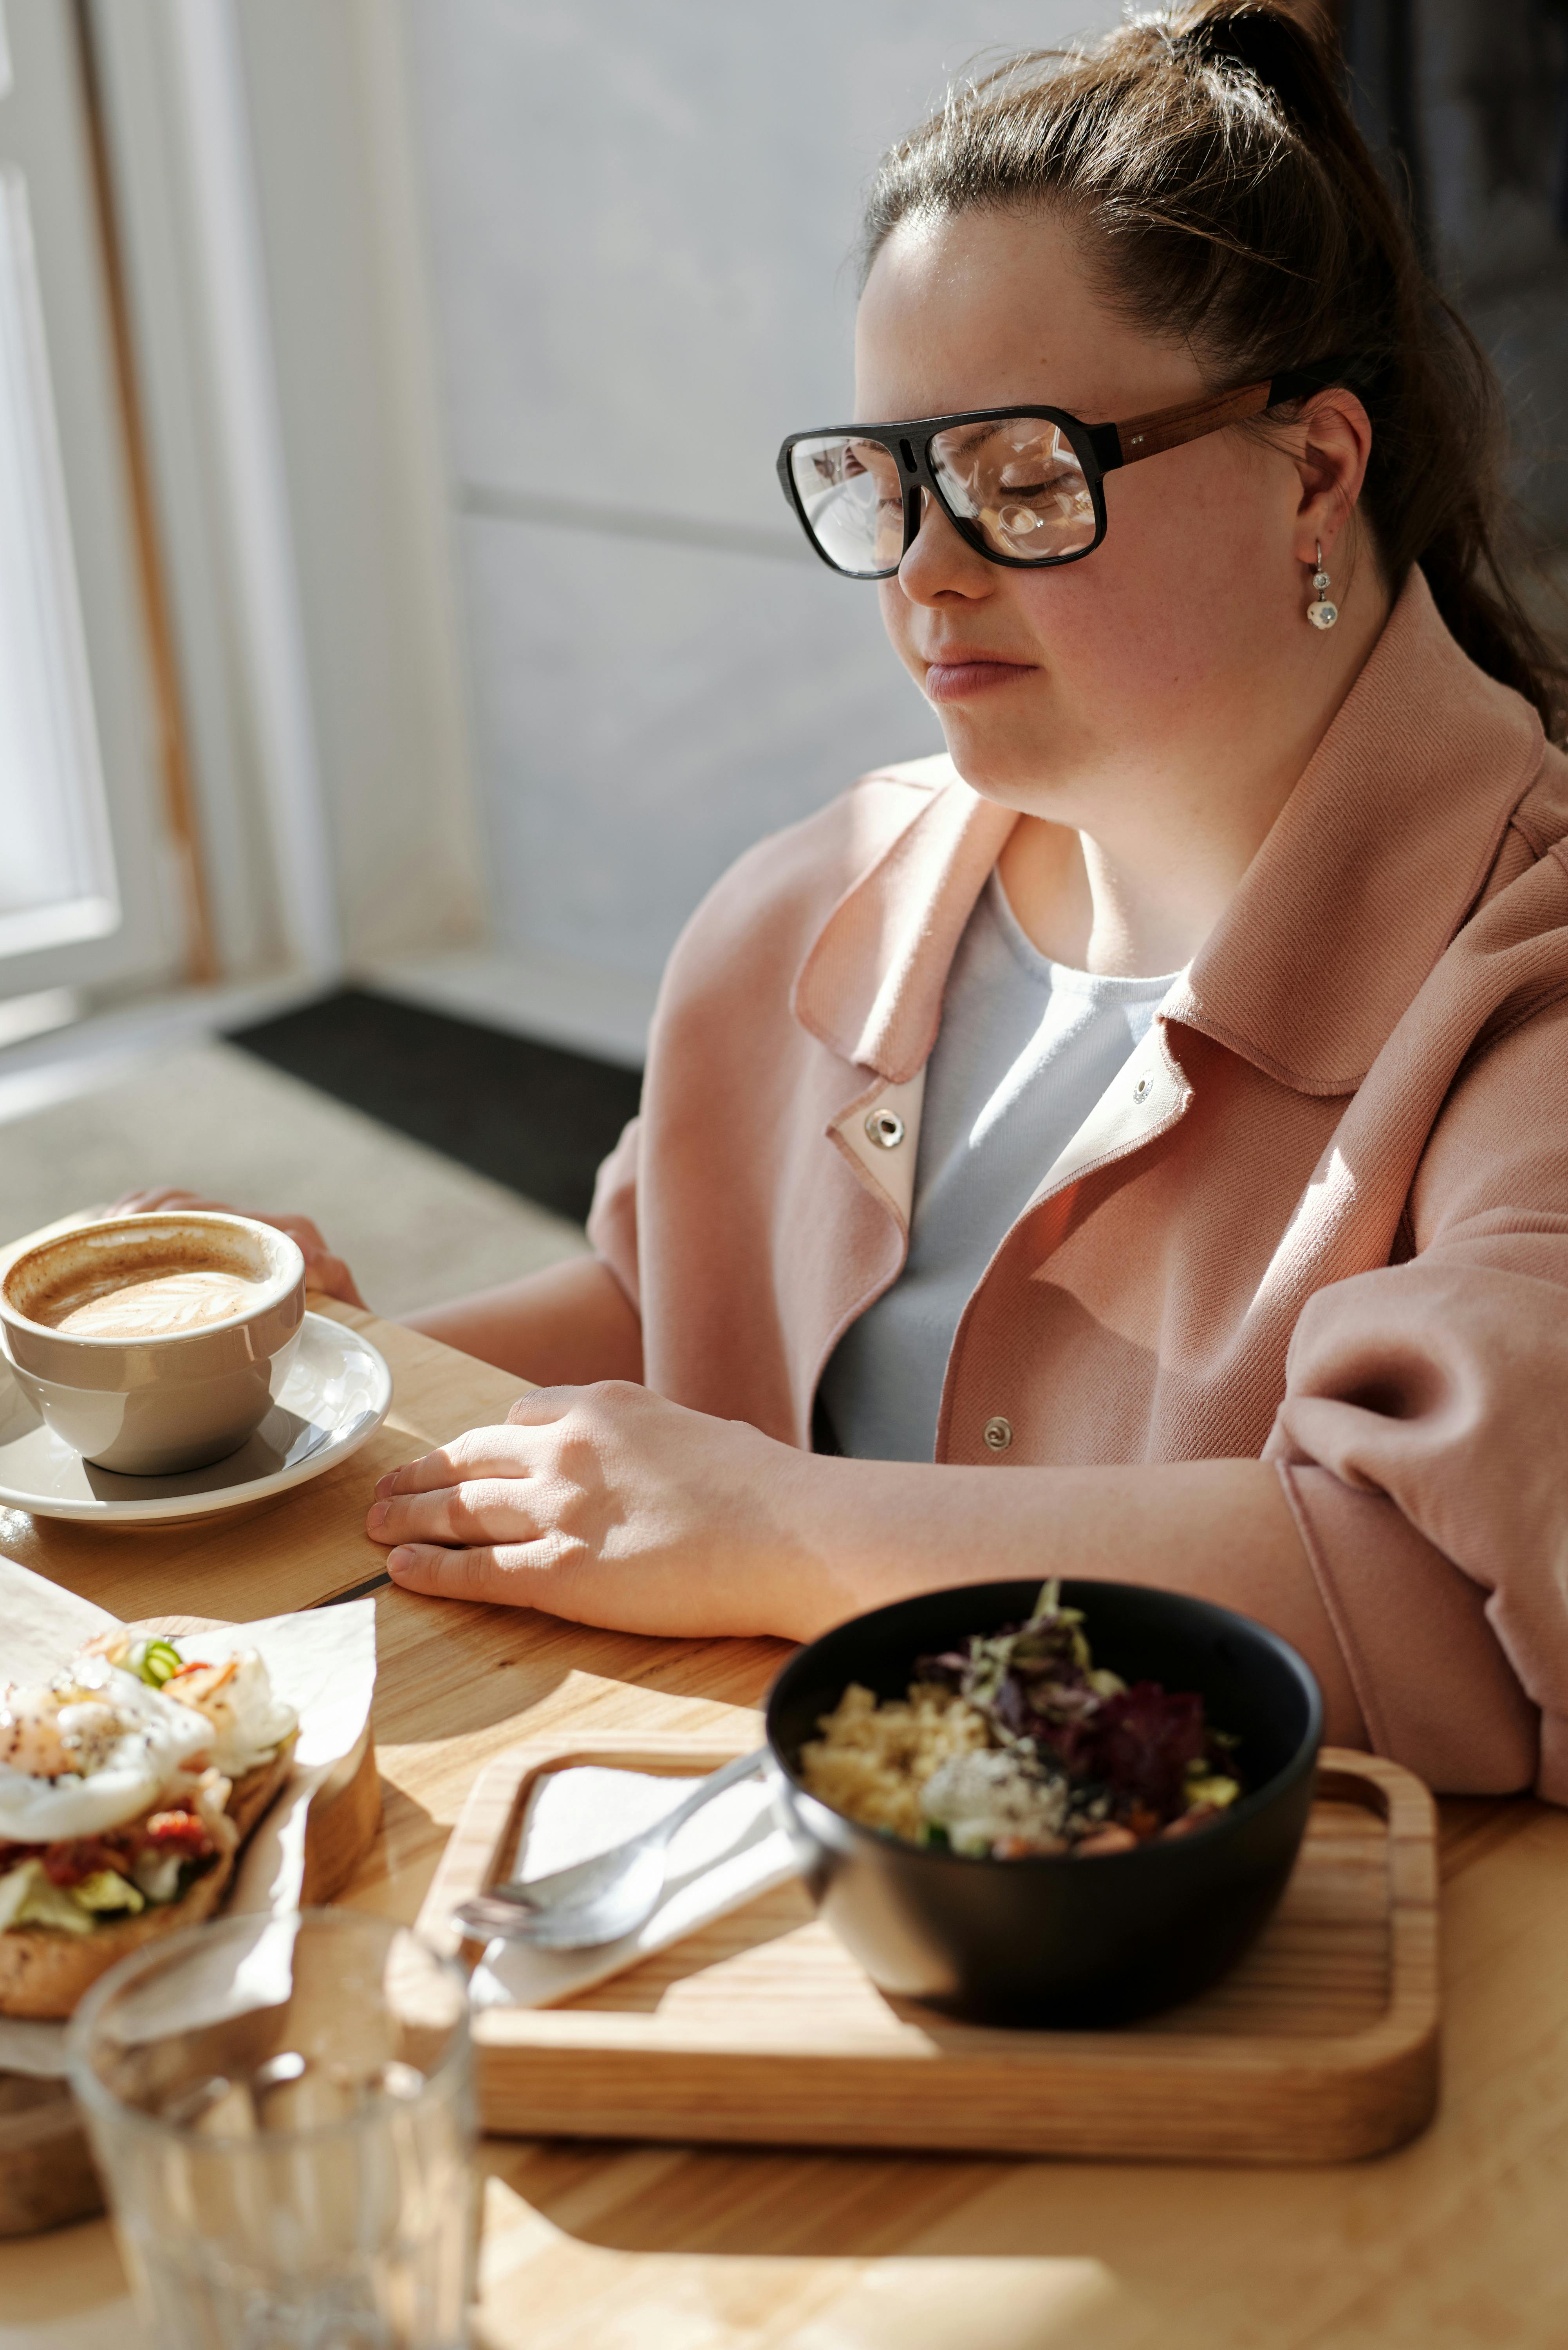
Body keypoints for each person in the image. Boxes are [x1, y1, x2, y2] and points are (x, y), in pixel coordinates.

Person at [128, 0, 1568, 1799]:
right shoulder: (805, 911)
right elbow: (679, 1330)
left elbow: (1469, 1599)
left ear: (1314, 471)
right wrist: (314, 1386)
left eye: (1022, 477)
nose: (925, 574)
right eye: (886, 483)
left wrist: (785, 1530)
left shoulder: (1523, 989)